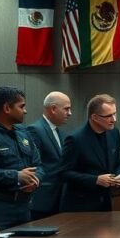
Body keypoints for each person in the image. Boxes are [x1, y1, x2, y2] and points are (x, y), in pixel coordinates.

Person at [0, 87, 43, 229]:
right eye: (21, 106)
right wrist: (16, 176)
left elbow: (39, 165)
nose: (25, 111)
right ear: (6, 108)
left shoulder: (24, 133)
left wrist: (35, 181)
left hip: (24, 207)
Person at [61, 94, 120, 212]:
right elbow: (64, 173)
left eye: (115, 114)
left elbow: (119, 163)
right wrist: (95, 180)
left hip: (106, 204)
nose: (114, 119)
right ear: (95, 117)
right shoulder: (75, 139)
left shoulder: (114, 133)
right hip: (80, 207)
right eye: (108, 116)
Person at [29, 91, 72, 220]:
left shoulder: (61, 134)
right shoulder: (35, 130)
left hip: (60, 201)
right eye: (66, 109)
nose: (69, 113)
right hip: (43, 201)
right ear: (53, 109)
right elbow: (35, 164)